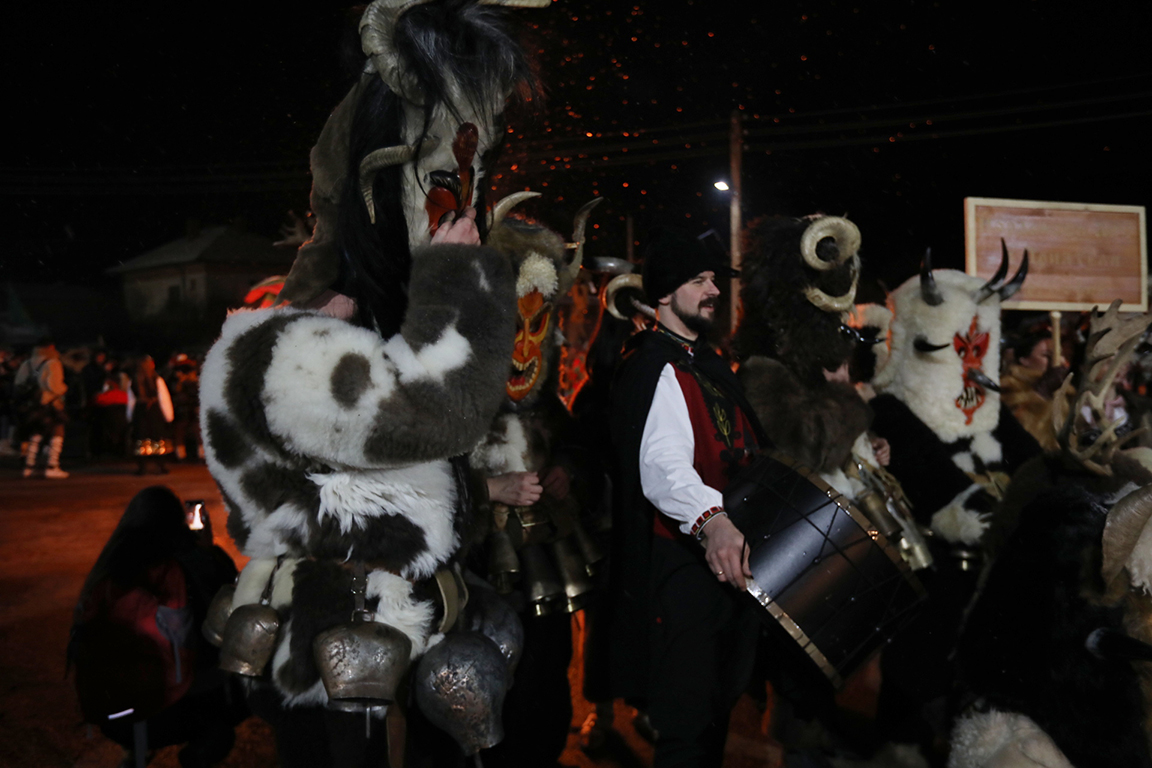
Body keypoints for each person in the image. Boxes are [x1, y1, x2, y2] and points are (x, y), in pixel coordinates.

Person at [608, 230, 767, 768]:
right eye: (698, 280)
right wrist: (712, 520)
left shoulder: (708, 363)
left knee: (716, 715)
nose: (714, 289)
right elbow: (662, 466)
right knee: (685, 729)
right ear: (662, 294)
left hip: (727, 565)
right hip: (683, 567)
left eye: (715, 279)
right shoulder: (654, 364)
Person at [69, 486, 243, 768]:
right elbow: (232, 613)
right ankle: (197, 755)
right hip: (171, 709)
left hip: (112, 714)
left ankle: (133, 752)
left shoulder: (106, 569)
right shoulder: (185, 567)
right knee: (223, 704)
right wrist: (208, 553)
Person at [15, 337, 69, 478]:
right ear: (51, 347)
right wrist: (64, 388)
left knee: (35, 433)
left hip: (32, 405)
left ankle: (29, 466)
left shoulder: (27, 363)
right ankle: (52, 466)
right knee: (57, 433)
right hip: (50, 405)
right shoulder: (53, 363)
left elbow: (19, 383)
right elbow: (54, 386)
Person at [128, 355, 174, 475]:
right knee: (157, 438)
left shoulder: (133, 380)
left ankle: (142, 468)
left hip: (140, 411)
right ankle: (161, 466)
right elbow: (164, 398)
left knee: (141, 439)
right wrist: (169, 416)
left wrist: (129, 416)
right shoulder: (157, 379)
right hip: (154, 411)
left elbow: (131, 400)